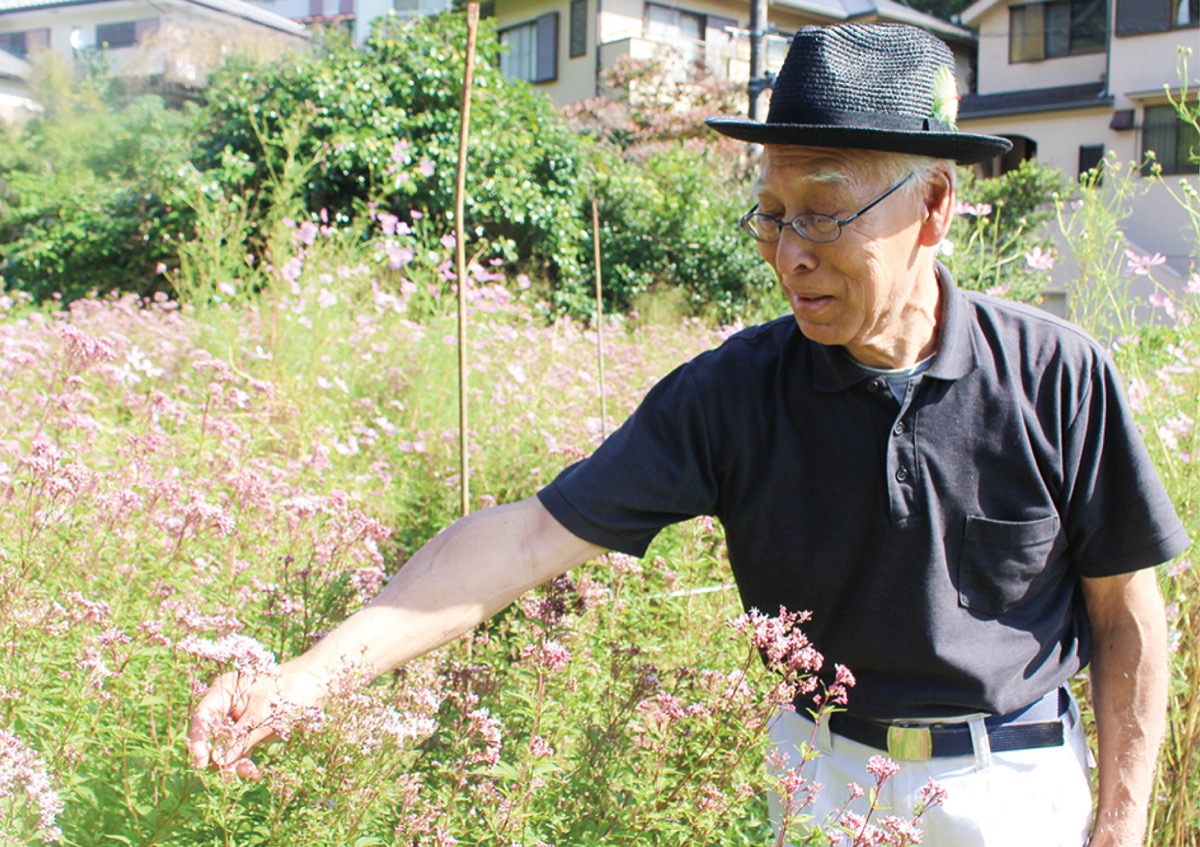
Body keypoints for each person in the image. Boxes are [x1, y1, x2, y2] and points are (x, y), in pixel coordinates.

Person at [188, 23, 1188, 847]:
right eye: (771, 215)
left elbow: (1125, 614)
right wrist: (300, 682)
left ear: (932, 206)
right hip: (824, 782)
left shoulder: (1055, 374)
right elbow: (525, 538)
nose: (789, 254)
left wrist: (1120, 822)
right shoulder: (732, 394)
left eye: (824, 215)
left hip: (1016, 791)